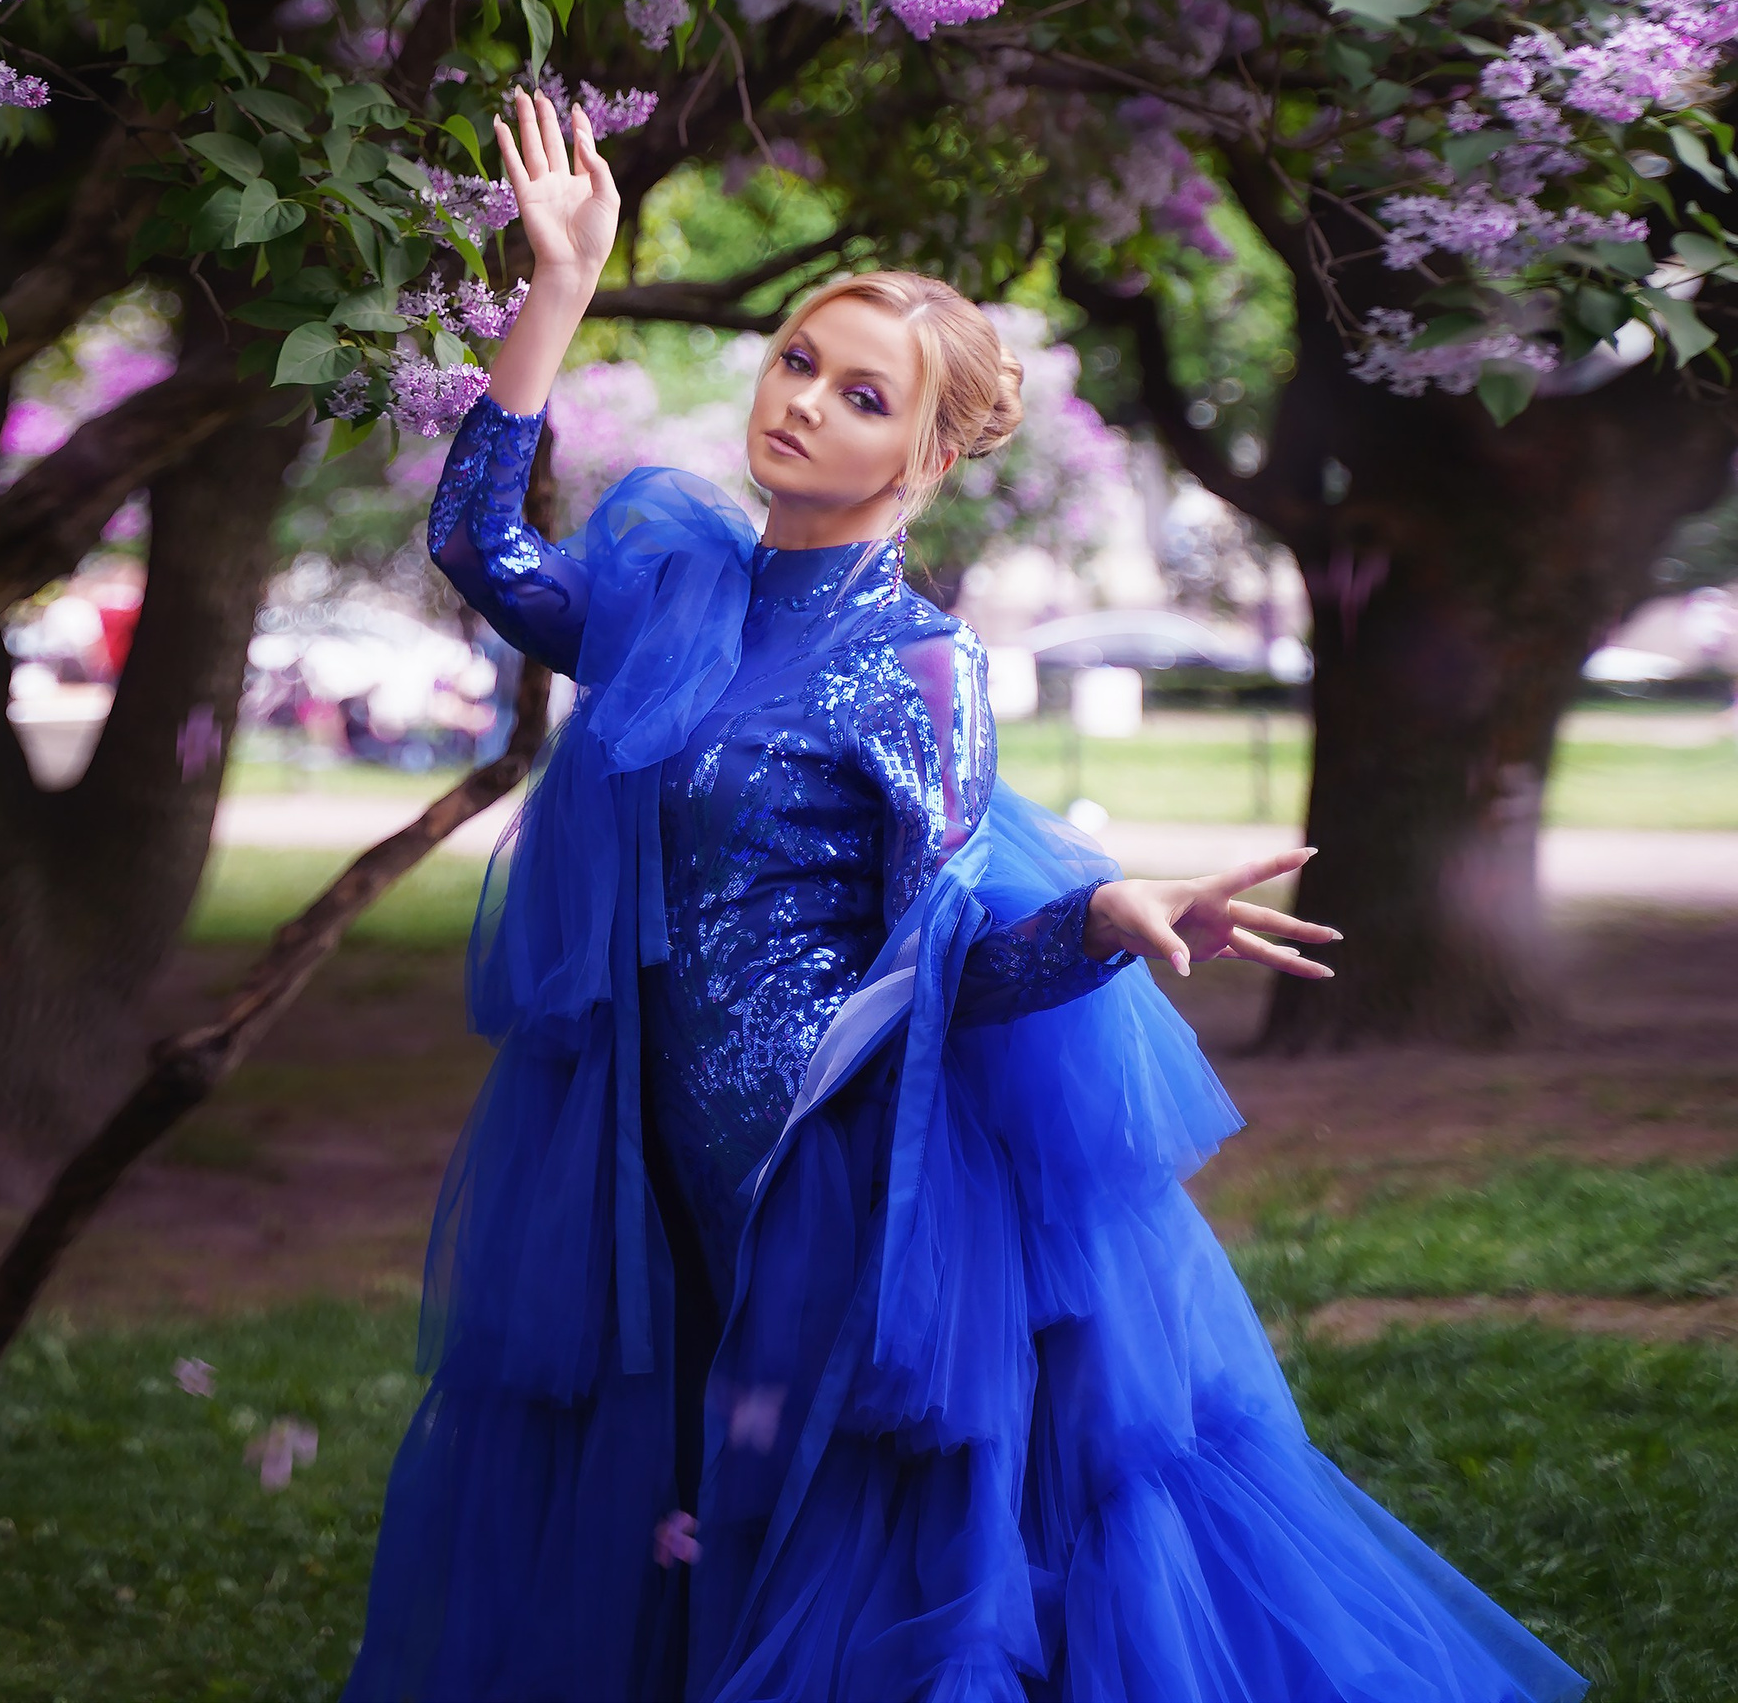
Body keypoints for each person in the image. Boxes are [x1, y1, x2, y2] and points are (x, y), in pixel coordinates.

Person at [343, 93, 1582, 1703]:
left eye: (864, 396)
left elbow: (943, 965)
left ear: (925, 456)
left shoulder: (918, 666)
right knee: (667, 1508)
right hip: (647, 1159)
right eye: (799, 360)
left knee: (834, 1542)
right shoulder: (672, 589)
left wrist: (1109, 922)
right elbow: (480, 543)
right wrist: (560, 283)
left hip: (828, 1173)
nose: (805, 404)